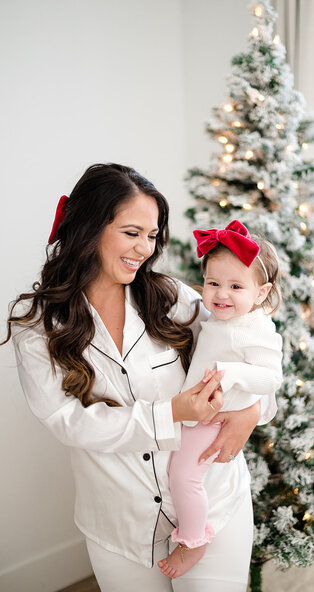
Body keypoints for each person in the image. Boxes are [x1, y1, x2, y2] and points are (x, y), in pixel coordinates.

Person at [3, 163, 270, 592]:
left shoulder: (173, 298)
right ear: (89, 229)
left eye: (152, 235)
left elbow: (250, 348)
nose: (145, 248)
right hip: (119, 525)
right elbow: (67, 422)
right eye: (132, 232)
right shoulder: (36, 325)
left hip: (214, 504)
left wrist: (254, 409)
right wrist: (171, 413)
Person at [158, 220, 283, 579]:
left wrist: (233, 374)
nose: (220, 294)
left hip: (212, 420)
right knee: (176, 475)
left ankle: (194, 541)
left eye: (235, 286)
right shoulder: (218, 318)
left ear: (261, 293)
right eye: (213, 283)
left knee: (183, 477)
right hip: (197, 412)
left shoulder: (255, 329)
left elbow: (271, 377)